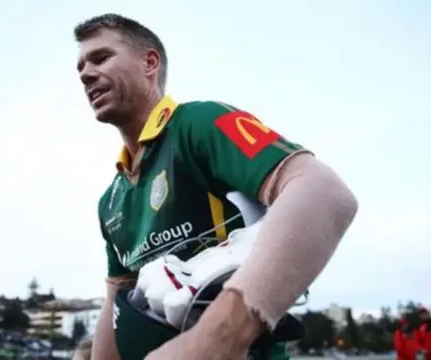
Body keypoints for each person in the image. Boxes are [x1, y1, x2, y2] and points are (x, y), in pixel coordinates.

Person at [73, 13, 359, 360]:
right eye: (81, 67)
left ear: (149, 62)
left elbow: (325, 193)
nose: (86, 73)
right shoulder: (110, 201)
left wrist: (217, 338)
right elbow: (114, 305)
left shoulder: (198, 124)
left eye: (101, 58)